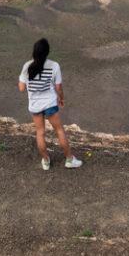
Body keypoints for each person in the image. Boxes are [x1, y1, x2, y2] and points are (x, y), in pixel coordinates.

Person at [19, 37, 82, 170]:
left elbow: (21, 88)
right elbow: (58, 87)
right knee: (59, 130)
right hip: (50, 104)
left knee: (40, 133)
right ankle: (70, 159)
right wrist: (62, 98)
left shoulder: (27, 66)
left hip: (35, 105)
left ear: (34, 52)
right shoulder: (54, 65)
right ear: (47, 52)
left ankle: (46, 161)